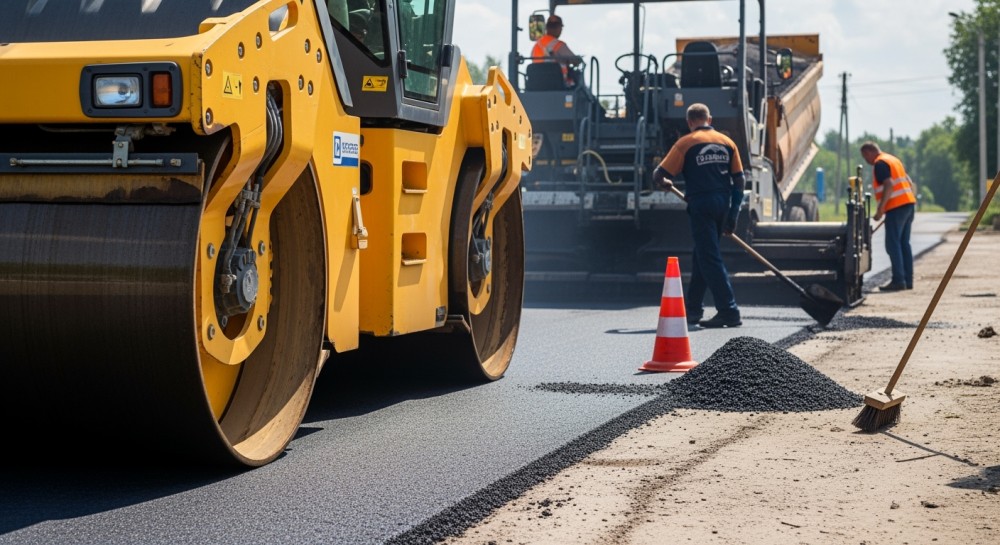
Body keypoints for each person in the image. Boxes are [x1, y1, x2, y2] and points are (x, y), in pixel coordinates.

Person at [652, 103, 745, 328]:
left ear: (689, 122)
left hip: (701, 205)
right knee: (701, 256)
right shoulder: (727, 142)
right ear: (709, 120)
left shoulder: (685, 143)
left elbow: (658, 174)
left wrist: (665, 182)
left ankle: (729, 311)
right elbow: (739, 180)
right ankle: (693, 310)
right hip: (723, 204)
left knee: (709, 258)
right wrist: (733, 215)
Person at [860, 141, 917, 291]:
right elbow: (909, 182)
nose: (866, 161)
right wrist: (905, 201)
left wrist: (881, 209)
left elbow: (889, 185)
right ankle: (907, 280)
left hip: (896, 208)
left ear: (868, 152)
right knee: (904, 243)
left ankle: (898, 280)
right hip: (909, 204)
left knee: (893, 244)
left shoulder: (880, 164)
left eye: (865, 157)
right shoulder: (894, 160)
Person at [530, 14, 583, 87]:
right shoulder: (558, 44)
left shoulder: (537, 45)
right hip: (557, 84)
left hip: (536, 85)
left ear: (546, 28)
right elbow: (574, 60)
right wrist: (579, 59)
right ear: (558, 28)